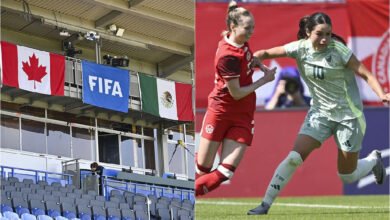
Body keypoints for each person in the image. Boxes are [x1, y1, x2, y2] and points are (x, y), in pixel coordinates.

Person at [247, 12, 389, 215]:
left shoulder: (339, 51)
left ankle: (373, 161)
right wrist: (255, 58)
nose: (324, 39)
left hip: (349, 116)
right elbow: (266, 53)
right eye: (319, 34)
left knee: (346, 176)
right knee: (294, 157)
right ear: (307, 32)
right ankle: (265, 204)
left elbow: (365, 73)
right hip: (320, 114)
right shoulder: (299, 48)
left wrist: (382, 93)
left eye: (328, 34)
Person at [195, 1, 276, 196]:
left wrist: (255, 62)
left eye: (253, 27)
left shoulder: (238, 41)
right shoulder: (227, 56)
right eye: (248, 28)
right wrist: (264, 80)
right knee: (202, 168)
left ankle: (189, 195)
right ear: (233, 27)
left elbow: (245, 59)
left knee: (226, 171)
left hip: (243, 115)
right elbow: (236, 92)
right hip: (220, 111)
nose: (251, 32)